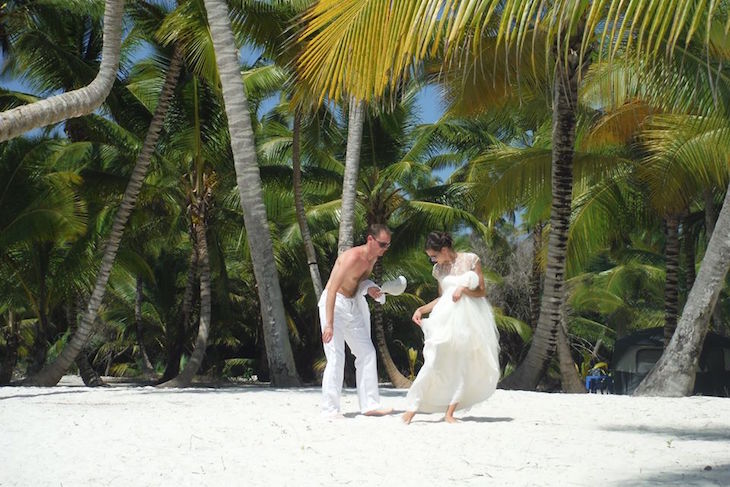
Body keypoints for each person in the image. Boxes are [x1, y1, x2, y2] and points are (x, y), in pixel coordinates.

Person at [403, 231, 500, 424]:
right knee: (434, 358)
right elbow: (443, 297)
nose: (432, 260)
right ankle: (413, 406)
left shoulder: (471, 260)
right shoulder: (438, 270)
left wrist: (463, 290)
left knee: (462, 364)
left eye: (434, 256)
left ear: (445, 250)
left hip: (468, 320)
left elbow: (481, 292)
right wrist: (421, 309)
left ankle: (450, 412)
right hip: (445, 319)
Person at [319, 224, 394, 417]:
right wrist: (329, 323)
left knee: (367, 352)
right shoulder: (351, 257)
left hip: (352, 305)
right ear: (370, 240)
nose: (385, 249)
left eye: (388, 246)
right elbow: (332, 289)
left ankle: (369, 405)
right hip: (334, 305)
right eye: (382, 244)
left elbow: (357, 282)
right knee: (336, 357)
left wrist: (369, 288)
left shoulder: (373, 258)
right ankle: (330, 409)